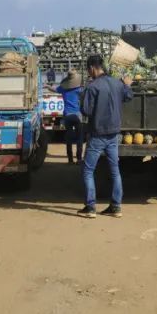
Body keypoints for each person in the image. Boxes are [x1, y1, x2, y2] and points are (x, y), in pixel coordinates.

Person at [79, 55, 133, 218]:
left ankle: (90, 207)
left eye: (89, 70)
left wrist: (82, 99)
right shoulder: (118, 83)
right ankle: (116, 207)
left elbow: (86, 111)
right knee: (115, 171)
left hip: (97, 134)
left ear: (92, 68)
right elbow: (128, 96)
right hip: (113, 134)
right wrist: (128, 85)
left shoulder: (93, 86)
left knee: (88, 170)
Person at [56, 70, 84, 164]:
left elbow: (54, 89)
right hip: (77, 115)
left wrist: (47, 86)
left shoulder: (63, 89)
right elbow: (85, 93)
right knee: (79, 137)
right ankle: (79, 159)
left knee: (69, 138)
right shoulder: (78, 89)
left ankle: (70, 160)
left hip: (67, 115)